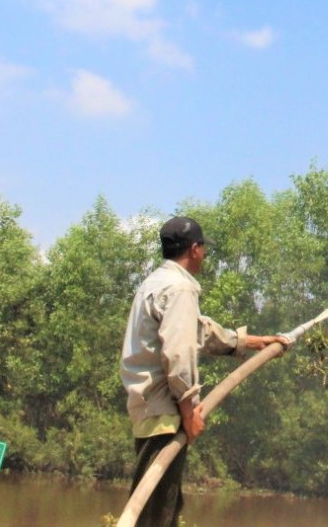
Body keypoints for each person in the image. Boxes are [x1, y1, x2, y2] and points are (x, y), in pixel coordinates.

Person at [121, 216, 291, 526]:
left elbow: (197, 331)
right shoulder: (180, 288)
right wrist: (188, 408)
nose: (205, 255)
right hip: (164, 412)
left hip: (149, 411)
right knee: (155, 516)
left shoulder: (155, 284)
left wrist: (250, 341)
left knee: (163, 508)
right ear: (195, 249)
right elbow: (178, 352)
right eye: (204, 249)